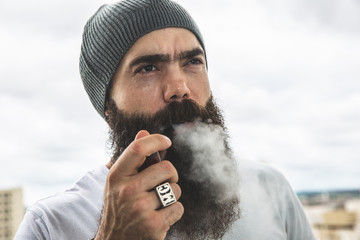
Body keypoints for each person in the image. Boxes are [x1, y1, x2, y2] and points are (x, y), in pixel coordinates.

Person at [15, 0, 316, 239]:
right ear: (109, 109)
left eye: (193, 62)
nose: (179, 88)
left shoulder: (270, 188)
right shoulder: (50, 225)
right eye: (148, 68)